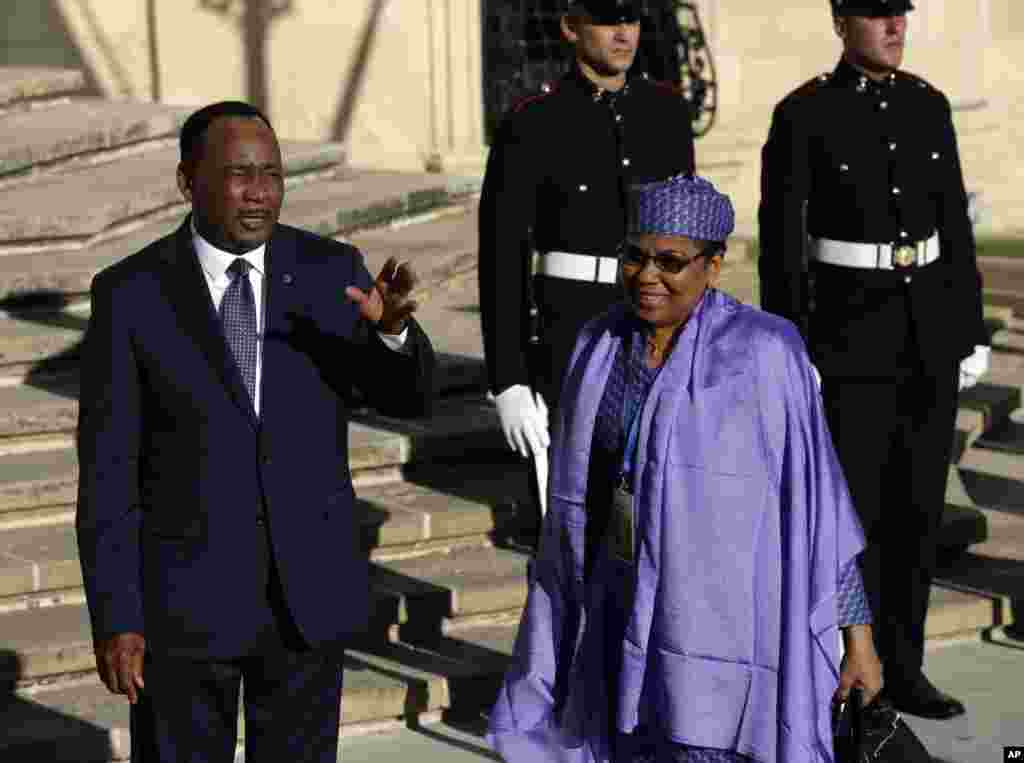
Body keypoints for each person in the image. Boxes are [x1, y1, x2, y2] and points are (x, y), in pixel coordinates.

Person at [75, 101, 435, 763]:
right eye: (240, 174)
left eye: (272, 174)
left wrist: (392, 334)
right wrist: (118, 615)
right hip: (185, 609)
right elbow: (108, 471)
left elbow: (406, 399)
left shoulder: (331, 273)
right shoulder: (131, 294)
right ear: (188, 181)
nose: (260, 192)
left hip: (305, 601)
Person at [488, 173, 882, 763]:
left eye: (670, 262)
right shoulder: (598, 344)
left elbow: (818, 510)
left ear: (713, 266)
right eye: (635, 257)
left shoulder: (765, 353)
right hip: (616, 600)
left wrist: (860, 642)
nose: (647, 276)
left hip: (725, 629)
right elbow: (577, 502)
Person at [758, 0, 989, 720]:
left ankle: (906, 667)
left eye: (900, 15)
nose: (895, 28)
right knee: (850, 516)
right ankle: (850, 673)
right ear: (841, 22)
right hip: (848, 342)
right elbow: (782, 245)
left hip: (927, 338)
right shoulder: (804, 114)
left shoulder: (928, 105)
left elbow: (953, 225)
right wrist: (791, 344)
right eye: (878, 14)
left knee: (917, 510)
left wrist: (969, 329)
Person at [478, 0, 695, 523]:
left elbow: (689, 242)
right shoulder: (533, 121)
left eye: (632, 20)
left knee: (654, 521)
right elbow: (503, 256)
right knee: (576, 522)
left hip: (655, 337)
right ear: (572, 27)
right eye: (607, 20)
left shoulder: (666, 114)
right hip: (572, 337)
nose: (623, 33)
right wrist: (509, 377)